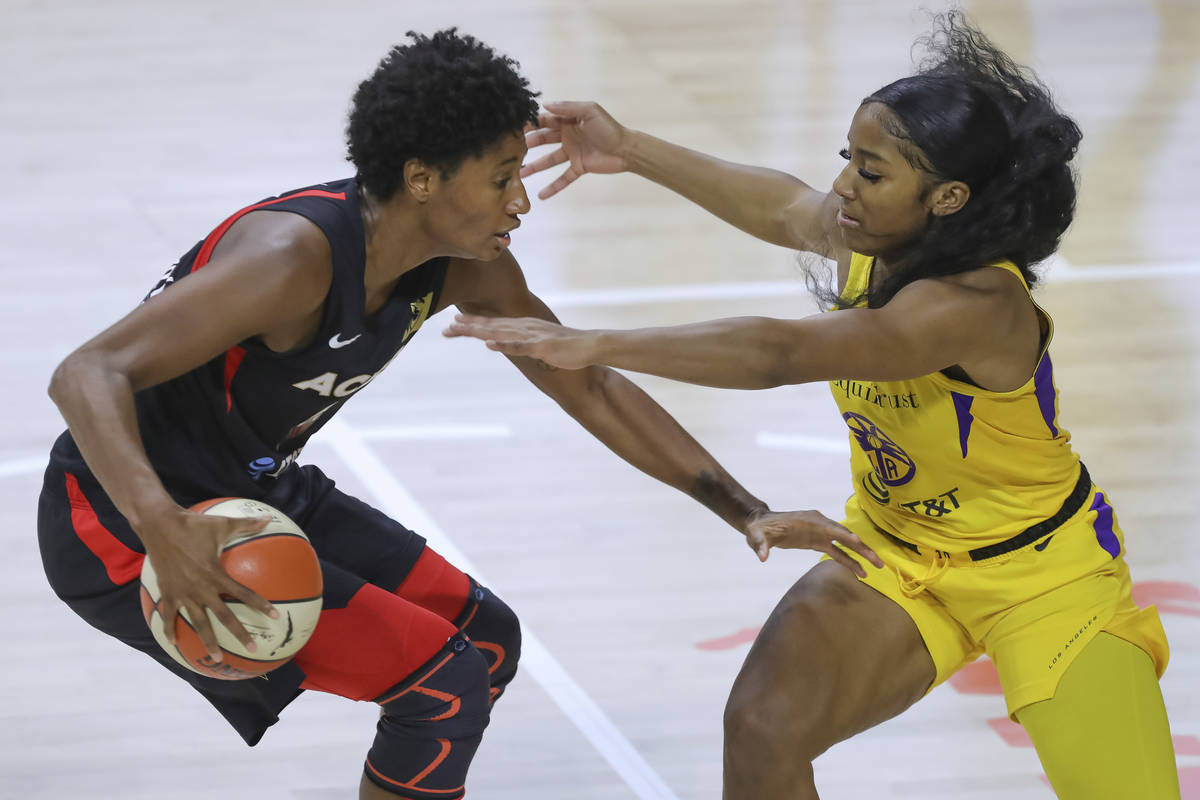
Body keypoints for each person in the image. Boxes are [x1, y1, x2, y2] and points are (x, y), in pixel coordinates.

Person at [36, 29, 880, 800]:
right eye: (502, 177)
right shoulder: (291, 258)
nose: (521, 202)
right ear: (421, 178)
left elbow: (589, 385)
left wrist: (746, 509)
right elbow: (85, 373)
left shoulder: (464, 265)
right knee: (443, 685)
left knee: (483, 640)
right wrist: (161, 528)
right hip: (119, 519)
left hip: (250, 492)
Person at [444, 12, 1180, 799]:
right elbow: (782, 206)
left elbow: (780, 354)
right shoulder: (879, 238)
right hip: (895, 551)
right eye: (848, 159)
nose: (842, 187)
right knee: (764, 728)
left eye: (871, 171)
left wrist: (598, 343)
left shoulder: (976, 304)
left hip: (1040, 576)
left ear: (948, 197)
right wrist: (630, 149)